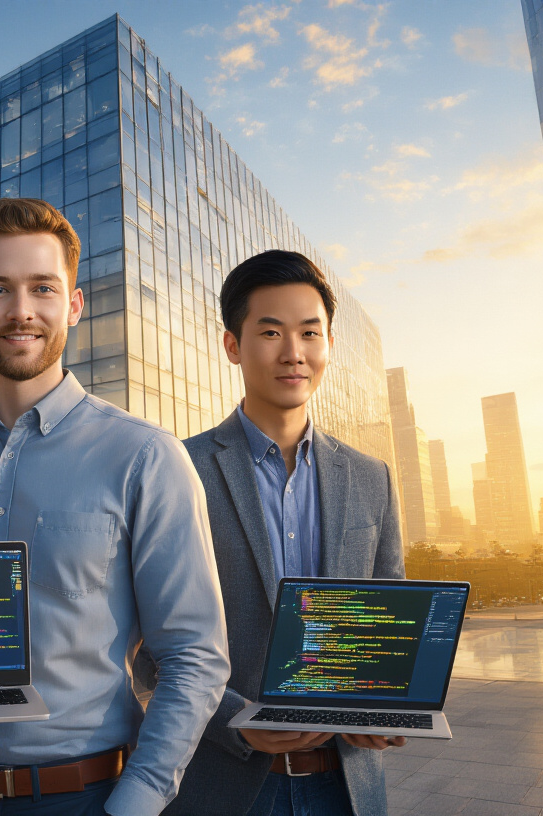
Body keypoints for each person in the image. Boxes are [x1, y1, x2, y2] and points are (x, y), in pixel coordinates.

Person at [0, 198, 230, 816]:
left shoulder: (146, 457)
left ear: (74, 304)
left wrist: (134, 805)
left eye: (43, 288)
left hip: (82, 798)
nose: (21, 310)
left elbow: (194, 655)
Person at [163, 250, 405, 816]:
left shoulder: (372, 477)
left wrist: (388, 704)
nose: (293, 352)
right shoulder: (178, 469)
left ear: (328, 344)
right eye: (271, 332)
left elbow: (387, 621)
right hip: (225, 786)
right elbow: (154, 643)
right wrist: (237, 719)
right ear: (233, 345)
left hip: (348, 788)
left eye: (309, 333)